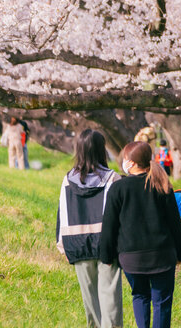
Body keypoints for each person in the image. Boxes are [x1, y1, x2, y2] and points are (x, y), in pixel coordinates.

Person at [100, 141, 181, 328]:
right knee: (162, 301)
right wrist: (180, 254)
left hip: (131, 258)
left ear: (130, 162)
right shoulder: (162, 185)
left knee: (140, 296)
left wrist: (106, 255)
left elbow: (109, 225)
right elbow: (174, 223)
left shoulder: (118, 188)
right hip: (163, 256)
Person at [56, 129, 123, 328]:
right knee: (110, 297)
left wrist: (63, 245)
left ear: (79, 150)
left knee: (90, 300)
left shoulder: (68, 180)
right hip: (107, 244)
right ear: (102, 150)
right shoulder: (113, 179)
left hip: (77, 243)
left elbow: (63, 213)